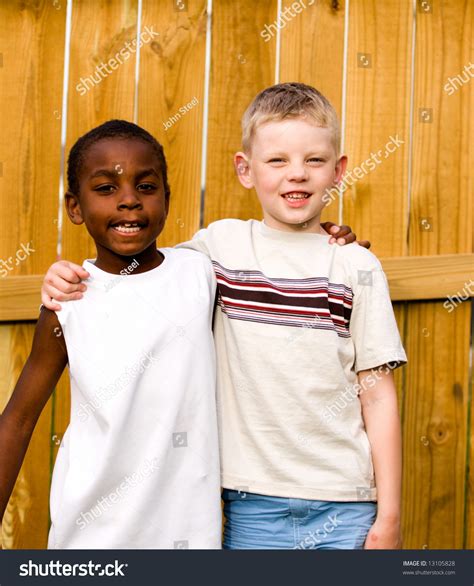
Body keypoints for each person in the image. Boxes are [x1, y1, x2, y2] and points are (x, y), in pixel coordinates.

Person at [40, 83, 402, 551]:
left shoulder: (356, 267)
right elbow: (136, 264)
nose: (297, 174)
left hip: (348, 503)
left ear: (339, 170)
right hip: (252, 507)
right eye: (277, 161)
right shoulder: (217, 250)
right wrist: (62, 276)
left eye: (314, 161)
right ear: (245, 170)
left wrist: (389, 516)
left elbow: (377, 397)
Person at [0, 120, 222, 549]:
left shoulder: (201, 274)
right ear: (75, 207)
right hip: (90, 539)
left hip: (188, 537)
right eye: (105, 189)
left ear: (167, 199)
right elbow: (19, 419)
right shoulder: (68, 304)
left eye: (146, 186)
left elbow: (276, 257)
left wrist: (329, 239)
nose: (128, 202)